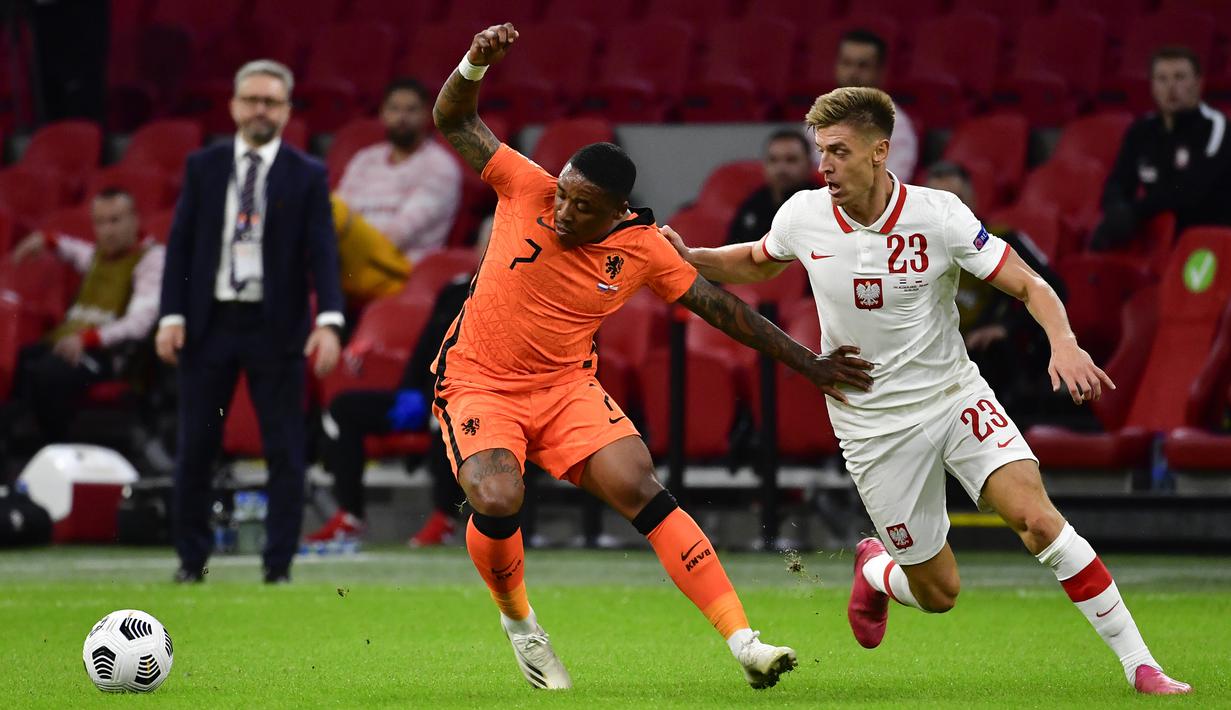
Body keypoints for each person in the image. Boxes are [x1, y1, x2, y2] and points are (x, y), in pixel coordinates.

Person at [662, 87, 1191, 695]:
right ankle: (878, 570)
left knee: (1038, 522)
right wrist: (694, 255)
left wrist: (1064, 343)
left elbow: (1028, 283)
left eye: (839, 150)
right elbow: (758, 262)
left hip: (953, 396)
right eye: (821, 151)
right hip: (870, 423)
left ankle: (1141, 665)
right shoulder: (803, 214)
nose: (825, 165)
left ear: (880, 152)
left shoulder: (939, 215)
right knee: (941, 594)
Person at [429, 23, 874, 691]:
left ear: (615, 215)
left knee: (641, 486)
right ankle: (521, 624)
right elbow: (452, 118)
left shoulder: (641, 250)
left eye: (582, 208)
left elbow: (724, 310)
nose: (562, 213)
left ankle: (744, 642)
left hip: (564, 388)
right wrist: (473, 63)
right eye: (564, 195)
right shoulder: (527, 188)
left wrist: (806, 362)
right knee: (496, 495)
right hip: (478, 382)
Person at [156, 59, 345, 585]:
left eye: (272, 102)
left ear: (286, 111)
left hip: (275, 325)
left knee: (285, 449)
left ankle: (278, 566)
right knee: (196, 446)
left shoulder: (306, 173)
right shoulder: (204, 167)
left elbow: (322, 253)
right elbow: (180, 247)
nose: (261, 110)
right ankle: (190, 562)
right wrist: (171, 314)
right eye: (252, 100)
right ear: (234, 105)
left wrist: (328, 320)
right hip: (208, 322)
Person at [1, 188, 163, 456]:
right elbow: (78, 252)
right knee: (22, 361)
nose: (108, 231)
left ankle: (58, 452)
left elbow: (140, 322)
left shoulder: (152, 259)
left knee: (48, 375)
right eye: (100, 222)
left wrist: (89, 338)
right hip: (71, 343)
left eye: (115, 220)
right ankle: (16, 452)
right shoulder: (100, 256)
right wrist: (49, 240)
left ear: (135, 220)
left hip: (111, 355)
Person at [925, 161, 1066, 421]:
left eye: (955, 201)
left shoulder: (999, 240)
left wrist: (1006, 326)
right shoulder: (916, 253)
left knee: (992, 353)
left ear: (972, 202)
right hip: (934, 352)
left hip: (983, 353)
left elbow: (1054, 289)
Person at [1091, 46, 1231, 250]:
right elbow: (1118, 182)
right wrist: (1117, 209)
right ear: (1152, 86)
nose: (1171, 87)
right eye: (1162, 79)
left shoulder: (1218, 127)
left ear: (1199, 83)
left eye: (1180, 77)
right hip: (1156, 236)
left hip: (1209, 239)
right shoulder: (1140, 131)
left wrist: (1135, 211)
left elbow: (1192, 192)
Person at [335, 77, 462, 263]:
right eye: (394, 109)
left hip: (401, 267)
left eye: (411, 110)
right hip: (352, 260)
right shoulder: (365, 159)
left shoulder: (439, 166)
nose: (402, 117)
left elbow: (399, 234)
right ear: (383, 114)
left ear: (427, 114)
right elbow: (339, 209)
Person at [833, 29, 917, 179]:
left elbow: (893, 186)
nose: (853, 72)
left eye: (863, 66)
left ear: (880, 71)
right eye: (847, 63)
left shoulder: (896, 124)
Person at [726, 130, 816, 245]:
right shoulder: (753, 204)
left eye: (791, 160)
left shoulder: (821, 204)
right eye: (773, 160)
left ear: (809, 164)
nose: (781, 168)